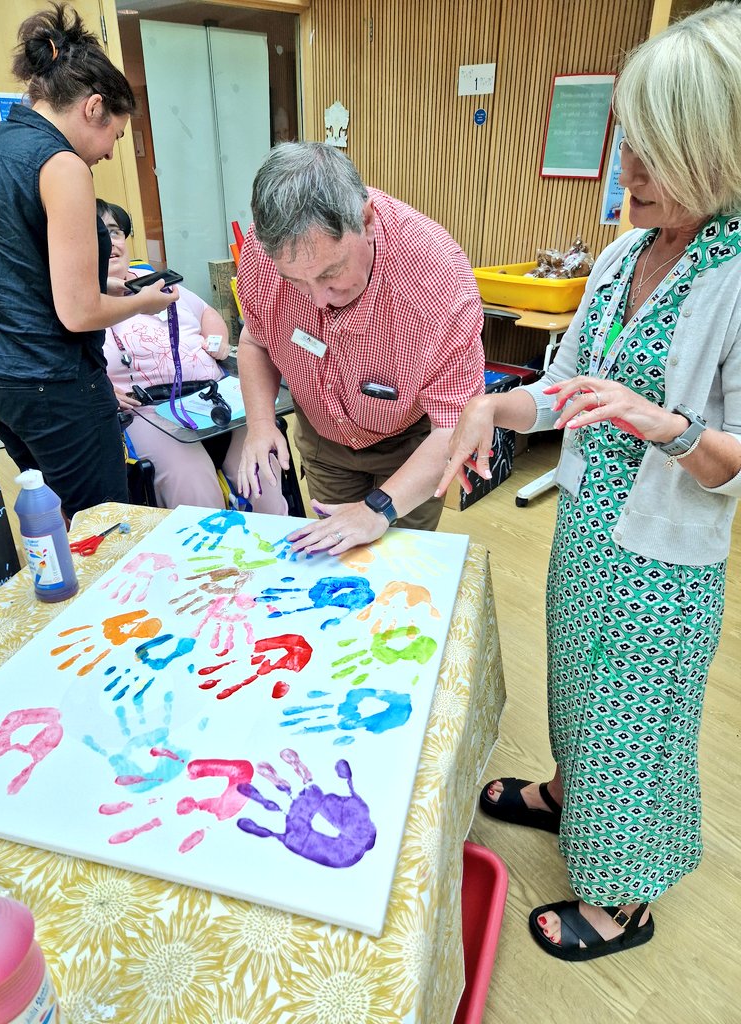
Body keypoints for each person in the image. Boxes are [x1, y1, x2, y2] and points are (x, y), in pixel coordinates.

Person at [436, 2, 741, 962]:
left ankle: (625, 898)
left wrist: (667, 425)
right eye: (629, 148)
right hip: (588, 533)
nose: (630, 175)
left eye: (655, 155)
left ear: (716, 150)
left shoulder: (732, 280)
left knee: (639, 718)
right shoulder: (621, 257)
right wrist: (494, 408)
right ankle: (573, 792)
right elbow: (567, 393)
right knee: (576, 685)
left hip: (660, 562)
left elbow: (731, 452)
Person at [0, 4, 175, 519]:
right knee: (104, 522)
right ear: (93, 107)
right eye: (116, 135)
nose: (109, 153)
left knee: (54, 512)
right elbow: (79, 312)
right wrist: (142, 303)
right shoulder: (61, 165)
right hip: (53, 378)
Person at [235, 142, 485, 553]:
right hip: (323, 437)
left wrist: (378, 509)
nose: (316, 300)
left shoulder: (439, 279)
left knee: (399, 568)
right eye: (296, 282)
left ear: (366, 220)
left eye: (331, 274)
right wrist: (261, 424)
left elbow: (457, 426)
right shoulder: (262, 257)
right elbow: (255, 340)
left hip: (412, 447)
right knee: (333, 564)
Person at [99, 200, 287, 514]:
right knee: (193, 483)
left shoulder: (157, 283)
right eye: (98, 235)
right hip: (150, 410)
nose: (111, 243)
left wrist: (216, 341)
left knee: (261, 465)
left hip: (212, 396)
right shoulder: (82, 305)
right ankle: (211, 556)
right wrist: (104, 392)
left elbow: (206, 312)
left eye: (115, 232)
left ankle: (278, 541)